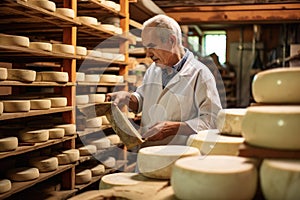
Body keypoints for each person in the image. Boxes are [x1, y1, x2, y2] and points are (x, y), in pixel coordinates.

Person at [106, 14, 222, 147]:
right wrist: (127, 98)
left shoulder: (200, 74)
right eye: (146, 47)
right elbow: (143, 98)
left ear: (172, 41)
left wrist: (173, 128)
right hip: (148, 154)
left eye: (152, 46)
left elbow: (213, 120)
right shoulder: (153, 69)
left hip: (179, 156)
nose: (148, 54)